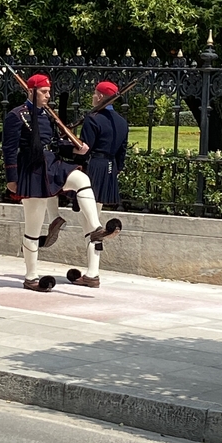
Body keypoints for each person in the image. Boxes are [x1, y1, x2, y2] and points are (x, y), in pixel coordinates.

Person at [2, 74, 121, 292]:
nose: (48, 95)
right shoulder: (17, 115)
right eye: (44, 92)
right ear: (31, 92)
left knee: (82, 178)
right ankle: (31, 277)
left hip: (52, 164)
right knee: (33, 228)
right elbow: (9, 149)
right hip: (32, 170)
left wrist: (75, 148)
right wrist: (12, 178)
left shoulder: (48, 115)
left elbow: (55, 143)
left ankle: (95, 229)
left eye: (49, 91)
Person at [66, 80, 128, 289]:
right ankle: (92, 271)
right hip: (109, 168)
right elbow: (122, 154)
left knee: (91, 225)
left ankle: (92, 273)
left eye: (95, 94)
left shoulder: (93, 119)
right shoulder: (122, 122)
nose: (93, 97)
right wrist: (114, 170)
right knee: (94, 218)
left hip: (93, 167)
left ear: (101, 97)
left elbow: (85, 150)